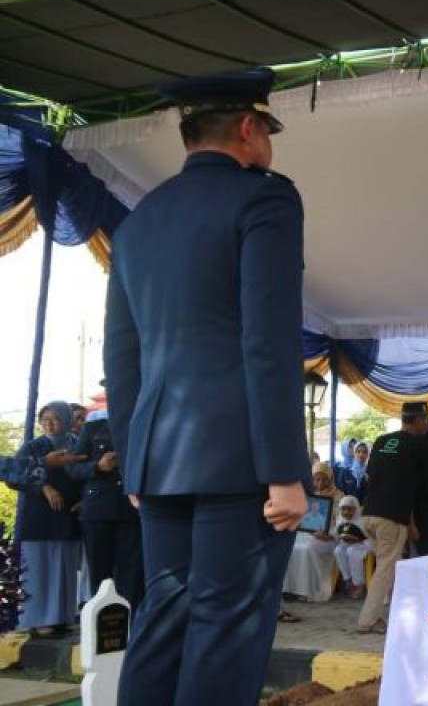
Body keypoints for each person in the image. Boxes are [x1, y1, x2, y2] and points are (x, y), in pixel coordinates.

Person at [103, 67, 310, 706]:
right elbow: (268, 339)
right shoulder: (265, 199)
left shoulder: (141, 219)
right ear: (249, 129)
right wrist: (283, 469)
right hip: (240, 464)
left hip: (160, 463)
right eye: (267, 130)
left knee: (161, 628)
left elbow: (124, 353)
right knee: (228, 634)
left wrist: (134, 465)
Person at [359, 402, 428, 633]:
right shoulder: (419, 444)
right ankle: (368, 620)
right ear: (420, 419)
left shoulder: (381, 441)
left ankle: (396, 610)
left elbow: (372, 479)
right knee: (385, 568)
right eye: (426, 418)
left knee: (388, 565)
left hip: (368, 514)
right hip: (391, 517)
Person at [12, 402, 84, 637]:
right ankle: (38, 620)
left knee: (63, 569)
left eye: (55, 419)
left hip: (68, 517)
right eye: (44, 420)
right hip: (38, 519)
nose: (49, 425)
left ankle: (61, 617)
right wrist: (44, 487)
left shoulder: (77, 445)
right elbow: (14, 475)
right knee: (38, 570)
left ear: (67, 420)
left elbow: (88, 474)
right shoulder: (34, 446)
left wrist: (86, 500)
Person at [67, 399, 144, 609]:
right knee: (100, 575)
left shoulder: (142, 423)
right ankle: (101, 629)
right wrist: (98, 466)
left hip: (132, 510)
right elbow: (73, 468)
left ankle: (131, 628)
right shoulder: (93, 428)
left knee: (132, 575)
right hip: (99, 510)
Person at [282, 462, 344, 603]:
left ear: (330, 479)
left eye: (324, 479)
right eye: (316, 479)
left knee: (309, 548)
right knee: (290, 546)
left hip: (329, 536)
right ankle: (289, 589)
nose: (320, 482)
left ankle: (307, 591)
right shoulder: (309, 494)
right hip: (307, 533)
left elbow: (343, 522)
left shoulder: (339, 496)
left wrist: (330, 535)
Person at [333, 496, 370, 599]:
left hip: (364, 545)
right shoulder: (340, 519)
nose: (346, 512)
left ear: (356, 509)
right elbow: (336, 535)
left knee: (352, 551)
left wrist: (359, 540)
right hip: (347, 544)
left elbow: (370, 538)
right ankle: (348, 579)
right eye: (343, 509)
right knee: (338, 550)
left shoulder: (363, 520)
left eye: (350, 509)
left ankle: (359, 584)